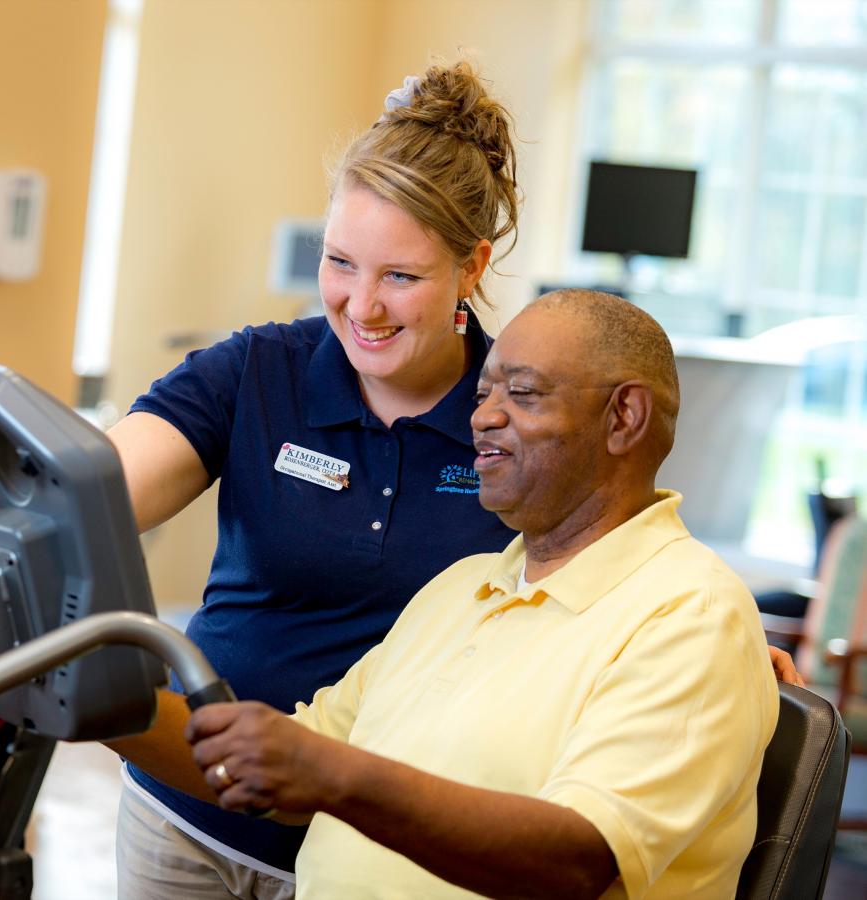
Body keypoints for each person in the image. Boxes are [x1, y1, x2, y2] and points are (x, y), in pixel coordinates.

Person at [184, 290, 780, 899]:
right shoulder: (460, 587)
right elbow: (292, 767)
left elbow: (576, 862)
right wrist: (114, 710)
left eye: (521, 394)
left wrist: (337, 778)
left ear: (623, 417)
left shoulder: (692, 615)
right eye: (481, 395)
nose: (483, 417)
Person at [106, 61, 521, 898]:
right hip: (184, 820)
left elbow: (622, 564)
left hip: (371, 861)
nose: (361, 306)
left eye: (400, 277)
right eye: (340, 262)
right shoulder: (257, 372)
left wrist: (719, 646)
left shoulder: (519, 418)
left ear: (471, 267)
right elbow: (97, 492)